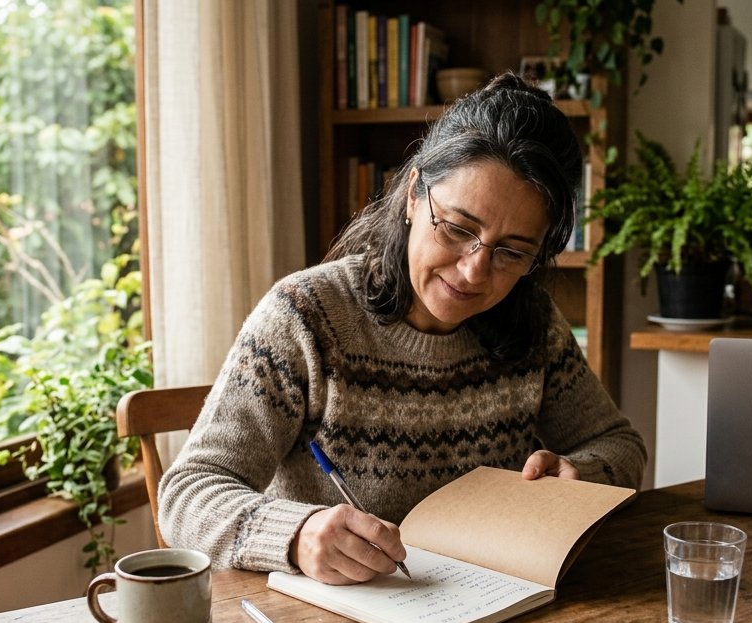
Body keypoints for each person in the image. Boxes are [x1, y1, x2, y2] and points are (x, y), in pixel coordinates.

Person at [159, 72, 647, 584]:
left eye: (512, 251)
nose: (474, 271)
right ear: (414, 194)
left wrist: (580, 474)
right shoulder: (304, 317)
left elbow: (620, 446)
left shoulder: (536, 326)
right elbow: (189, 494)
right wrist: (298, 534)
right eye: (458, 229)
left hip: (491, 611)